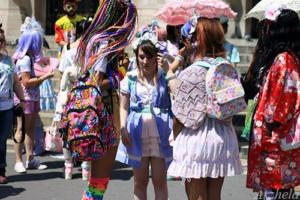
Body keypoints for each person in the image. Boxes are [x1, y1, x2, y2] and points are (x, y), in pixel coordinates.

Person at [161, 16, 243, 200]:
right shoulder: (226, 67)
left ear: (194, 42)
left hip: (196, 139)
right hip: (223, 136)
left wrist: (174, 137)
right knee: (215, 195)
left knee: (196, 196)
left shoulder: (191, 72)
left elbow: (180, 117)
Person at [76, 0, 137, 199]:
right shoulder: (104, 42)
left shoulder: (93, 40)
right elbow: (97, 82)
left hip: (97, 113)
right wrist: (120, 72)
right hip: (103, 113)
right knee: (98, 181)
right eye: (126, 19)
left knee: (97, 181)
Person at [246, 7, 300, 200]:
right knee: (282, 188)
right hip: (282, 132)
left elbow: (280, 100)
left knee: (274, 187)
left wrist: (270, 124)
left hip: (274, 134)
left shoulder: (282, 60)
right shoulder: (291, 58)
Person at [119, 40, 173, 199]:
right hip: (136, 132)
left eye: (150, 57)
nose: (145, 61)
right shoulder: (129, 79)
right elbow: (123, 107)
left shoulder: (164, 76)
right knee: (139, 182)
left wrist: (168, 70)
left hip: (161, 133)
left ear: (157, 57)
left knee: (160, 182)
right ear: (136, 57)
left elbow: (178, 98)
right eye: (141, 57)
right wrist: (123, 127)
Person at [13, 18, 54, 173]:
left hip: (32, 97)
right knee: (21, 129)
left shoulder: (29, 58)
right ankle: (18, 160)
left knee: (30, 129)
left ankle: (30, 159)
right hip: (25, 98)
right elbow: (26, 81)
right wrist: (45, 77)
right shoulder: (24, 59)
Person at [55, 18, 93, 181]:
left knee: (66, 132)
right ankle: (85, 169)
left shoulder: (69, 48)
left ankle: (68, 168)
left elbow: (61, 73)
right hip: (85, 95)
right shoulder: (92, 50)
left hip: (68, 96)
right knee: (85, 132)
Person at [0, 23, 25, 184]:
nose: (1, 43)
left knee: (1, 140)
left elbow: (16, 82)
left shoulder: (8, 60)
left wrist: (21, 100)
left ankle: (1, 169)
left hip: (6, 107)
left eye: (2, 40)